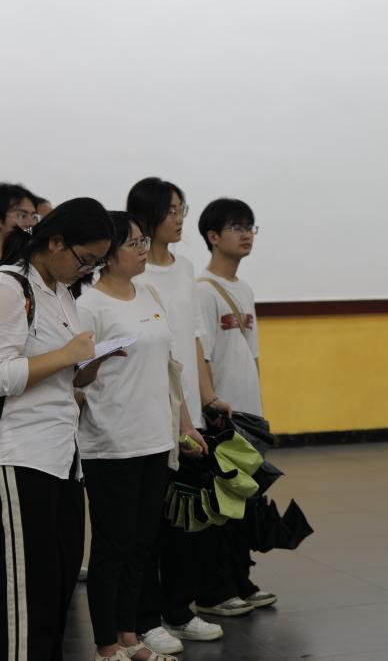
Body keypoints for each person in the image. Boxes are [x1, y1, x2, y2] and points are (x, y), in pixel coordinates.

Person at [0, 198, 114, 661]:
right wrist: (67, 355)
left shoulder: (61, 293)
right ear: (55, 242)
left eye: (95, 265)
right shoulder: (4, 286)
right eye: (85, 260)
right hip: (12, 452)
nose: (86, 272)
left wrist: (88, 364)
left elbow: (64, 375)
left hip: (58, 454)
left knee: (55, 587)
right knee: (24, 597)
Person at [78, 212, 212, 661]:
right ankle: (106, 645)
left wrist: (185, 425)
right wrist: (97, 359)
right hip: (111, 441)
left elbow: (170, 368)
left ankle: (130, 635)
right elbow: (74, 376)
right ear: (107, 253)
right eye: (133, 243)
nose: (142, 250)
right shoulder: (89, 305)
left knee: (141, 544)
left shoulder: (148, 294)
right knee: (112, 547)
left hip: (157, 438)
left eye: (142, 241)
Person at [126, 178, 229, 654]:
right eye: (172, 210)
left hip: (188, 413)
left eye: (181, 208)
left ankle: (179, 609)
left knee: (188, 519)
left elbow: (194, 339)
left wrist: (206, 398)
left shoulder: (185, 268)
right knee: (149, 525)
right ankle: (147, 619)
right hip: (152, 412)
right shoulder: (135, 274)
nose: (180, 218)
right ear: (146, 216)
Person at [193, 198, 274, 613]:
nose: (246, 235)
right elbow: (201, 354)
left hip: (248, 413)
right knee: (220, 504)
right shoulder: (202, 290)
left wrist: (258, 407)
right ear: (212, 236)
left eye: (250, 227)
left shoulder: (245, 289)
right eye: (237, 227)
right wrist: (210, 404)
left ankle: (241, 579)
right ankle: (215, 590)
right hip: (222, 415)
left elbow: (252, 353)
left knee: (246, 500)